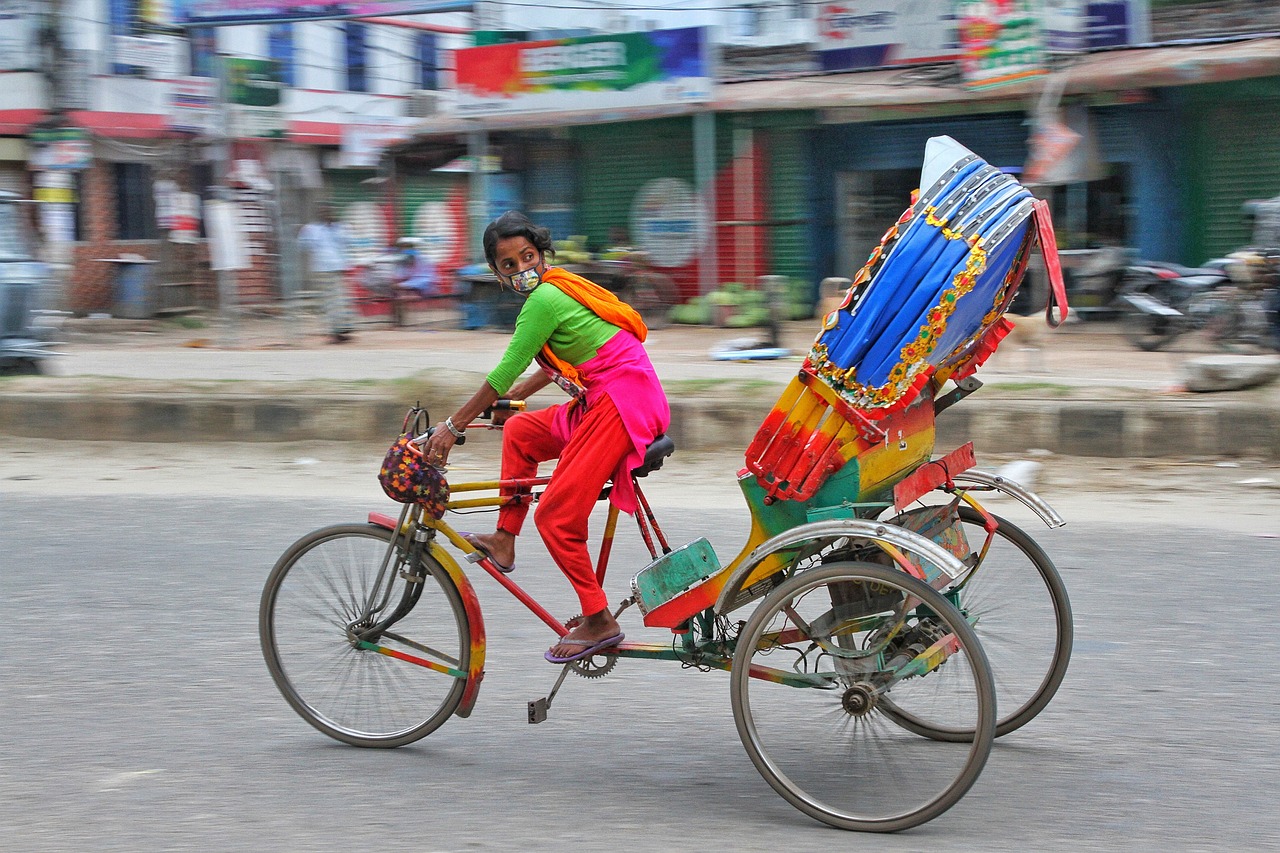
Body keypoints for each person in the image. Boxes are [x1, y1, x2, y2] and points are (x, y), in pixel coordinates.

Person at [422, 211, 670, 664]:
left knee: (555, 516)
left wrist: (452, 426)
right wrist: (518, 397)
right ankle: (504, 539)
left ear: (542, 255)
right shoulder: (555, 291)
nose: (521, 270)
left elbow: (506, 367)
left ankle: (598, 618)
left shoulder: (544, 299)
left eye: (527, 257)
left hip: (621, 404)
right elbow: (551, 360)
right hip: (606, 398)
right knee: (520, 431)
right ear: (496, 273)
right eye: (509, 265)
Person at [298, 203, 355, 343]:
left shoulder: (340, 227)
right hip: (322, 270)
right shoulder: (311, 229)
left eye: (328, 212)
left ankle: (342, 330)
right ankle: (335, 332)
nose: (326, 214)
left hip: (338, 268)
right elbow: (302, 245)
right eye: (323, 212)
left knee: (341, 301)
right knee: (329, 302)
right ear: (318, 214)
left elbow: (349, 242)